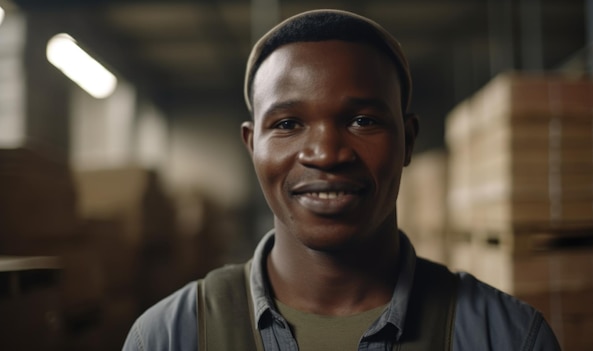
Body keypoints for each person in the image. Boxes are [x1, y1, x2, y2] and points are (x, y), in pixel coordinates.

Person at [122, 9, 561, 351]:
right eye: (289, 123)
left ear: (407, 141)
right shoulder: (169, 336)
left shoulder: (508, 337)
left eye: (363, 120)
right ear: (251, 145)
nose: (327, 153)